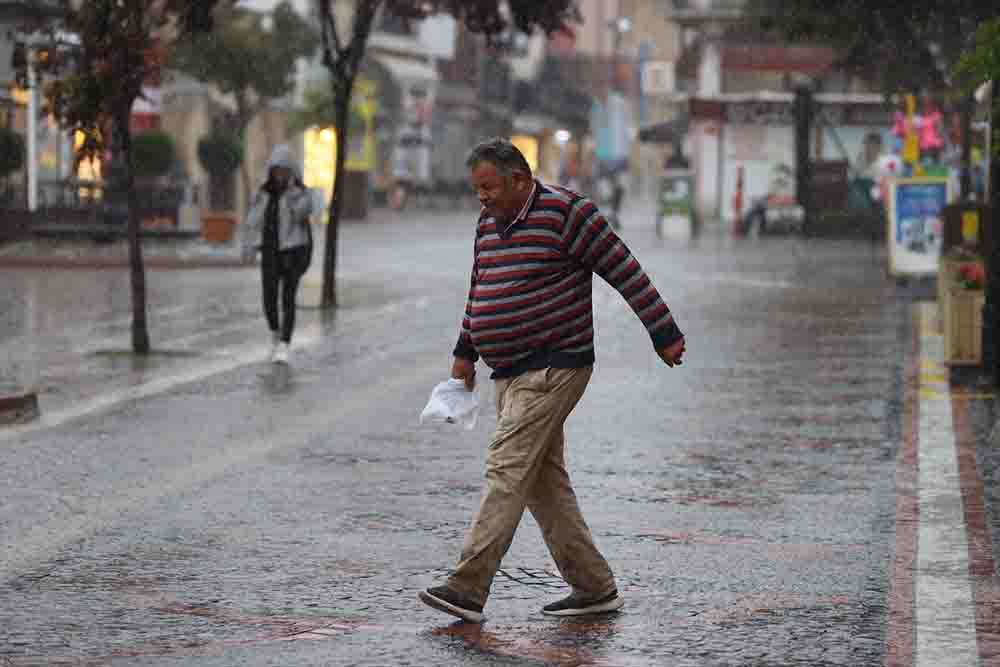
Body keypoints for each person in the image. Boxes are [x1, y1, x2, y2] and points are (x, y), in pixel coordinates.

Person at [419, 138, 686, 623]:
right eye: (477, 189)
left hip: (555, 364)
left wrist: (662, 331)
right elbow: (480, 288)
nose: (482, 198)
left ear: (519, 180)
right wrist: (465, 351)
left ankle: (467, 585)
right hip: (509, 371)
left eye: (489, 188)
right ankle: (593, 587)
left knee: (507, 465)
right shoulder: (488, 223)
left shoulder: (568, 213)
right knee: (543, 483)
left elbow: (623, 268)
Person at [245, 144, 314, 364]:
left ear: (292, 171)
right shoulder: (264, 194)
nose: (280, 174)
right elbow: (253, 221)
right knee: (268, 300)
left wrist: (293, 193)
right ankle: (275, 332)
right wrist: (248, 245)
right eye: (276, 170)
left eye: (284, 170)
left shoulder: (301, 193)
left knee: (288, 299)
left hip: (292, 252)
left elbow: (302, 213)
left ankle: (285, 343)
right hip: (269, 253)